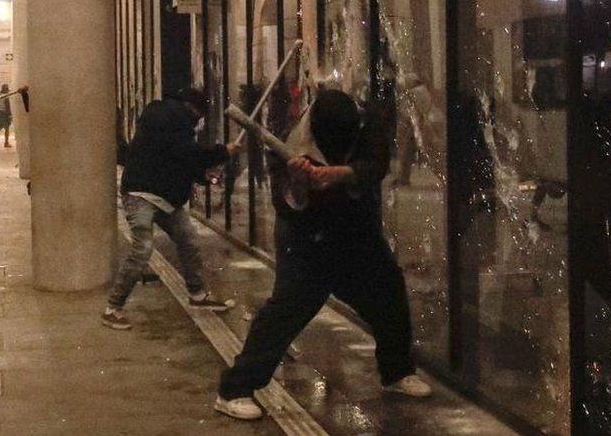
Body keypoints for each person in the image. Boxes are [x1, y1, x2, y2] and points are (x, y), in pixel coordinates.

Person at [215, 89, 431, 421]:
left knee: (388, 291)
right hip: (307, 239)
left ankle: (397, 372)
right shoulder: (291, 144)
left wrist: (338, 174)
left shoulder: (365, 122)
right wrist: (301, 185)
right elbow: (288, 207)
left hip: (357, 231)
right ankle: (234, 390)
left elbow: (375, 165)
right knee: (286, 311)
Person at [103, 87, 240, 330]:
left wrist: (203, 175)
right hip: (142, 194)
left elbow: (179, 159)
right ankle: (113, 308)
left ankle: (197, 294)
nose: (198, 124)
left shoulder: (167, 121)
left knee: (187, 239)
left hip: (163, 197)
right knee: (143, 248)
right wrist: (221, 152)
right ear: (193, 110)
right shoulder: (172, 121)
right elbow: (185, 152)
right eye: (199, 117)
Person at [0, 84, 13, 148]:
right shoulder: (6, 97)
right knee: (7, 129)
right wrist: (9, 115)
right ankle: (6, 143)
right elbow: (7, 107)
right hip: (4, 114)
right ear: (6, 90)